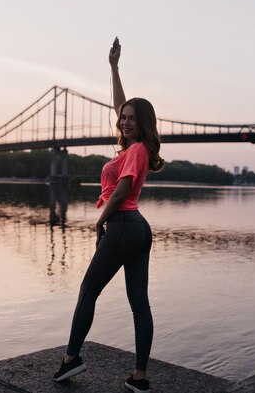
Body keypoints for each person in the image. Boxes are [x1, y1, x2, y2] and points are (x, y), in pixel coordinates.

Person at [53, 40, 164, 393]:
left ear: (143, 123)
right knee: (139, 303)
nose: (125, 120)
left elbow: (122, 189)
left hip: (122, 225)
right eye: (124, 118)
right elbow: (121, 104)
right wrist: (114, 67)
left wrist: (100, 221)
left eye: (132, 118)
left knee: (88, 291)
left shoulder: (136, 151)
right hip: (140, 230)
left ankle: (71, 360)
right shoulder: (137, 146)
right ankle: (139, 378)